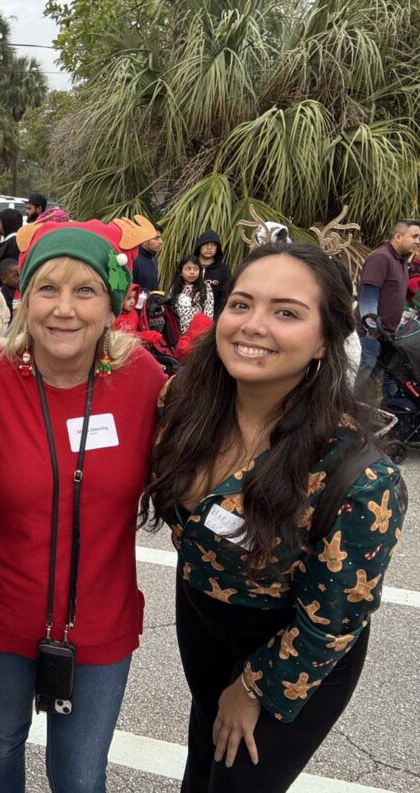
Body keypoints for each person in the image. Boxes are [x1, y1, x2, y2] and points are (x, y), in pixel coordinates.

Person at [145, 242, 404, 793]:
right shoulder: (182, 406)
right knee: (199, 771)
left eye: (286, 312)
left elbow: (332, 620)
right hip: (203, 619)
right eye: (241, 304)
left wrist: (254, 689)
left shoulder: (360, 479)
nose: (253, 325)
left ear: (324, 341)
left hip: (295, 652)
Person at [0, 222, 167, 793]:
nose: (64, 310)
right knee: (0, 739)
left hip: (99, 618)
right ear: (25, 301)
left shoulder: (141, 378)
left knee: (80, 774)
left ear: (112, 305)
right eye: (47, 289)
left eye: (85, 291)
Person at [355, 219, 420, 387]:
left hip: (387, 337)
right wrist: (372, 329)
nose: (418, 241)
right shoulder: (381, 258)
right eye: (414, 236)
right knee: (359, 384)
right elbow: (368, 296)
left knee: (373, 385)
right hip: (370, 337)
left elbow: (400, 295)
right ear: (398, 236)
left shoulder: (400, 262)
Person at [168, 256, 215, 333]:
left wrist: (206, 331)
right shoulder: (174, 288)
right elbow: (170, 308)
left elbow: (209, 310)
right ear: (180, 272)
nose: (192, 272)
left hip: (197, 331)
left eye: (196, 269)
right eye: (188, 269)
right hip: (177, 330)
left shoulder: (205, 287)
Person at [193, 228, 230, 311]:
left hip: (213, 318)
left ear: (217, 248)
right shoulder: (189, 267)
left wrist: (216, 318)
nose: (209, 247)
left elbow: (225, 297)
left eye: (213, 244)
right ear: (199, 245)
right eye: (206, 244)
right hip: (187, 317)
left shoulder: (224, 270)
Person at [133, 223, 163, 293]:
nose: (161, 242)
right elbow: (129, 287)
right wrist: (146, 292)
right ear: (144, 241)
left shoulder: (154, 259)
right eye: (156, 238)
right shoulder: (133, 259)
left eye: (160, 238)